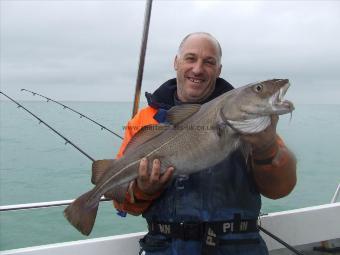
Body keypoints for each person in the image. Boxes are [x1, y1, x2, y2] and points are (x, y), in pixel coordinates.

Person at [113, 32, 297, 255]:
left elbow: (280, 189)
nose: (198, 69)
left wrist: (266, 148)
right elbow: (122, 202)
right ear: (176, 62)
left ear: (219, 69)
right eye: (190, 58)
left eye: (209, 62)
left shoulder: (248, 118)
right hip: (165, 248)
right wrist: (143, 190)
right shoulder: (144, 121)